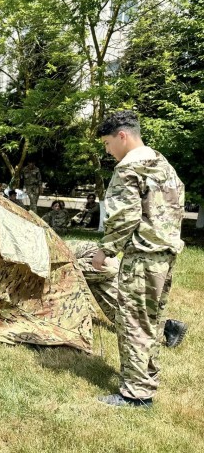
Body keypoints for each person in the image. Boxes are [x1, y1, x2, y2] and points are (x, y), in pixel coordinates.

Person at [92, 110, 185, 408]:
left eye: (107, 144)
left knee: (133, 323)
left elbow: (124, 217)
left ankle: (136, 394)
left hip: (142, 257)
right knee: (151, 322)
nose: (108, 151)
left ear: (122, 136)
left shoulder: (128, 169)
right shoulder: (163, 165)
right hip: (164, 255)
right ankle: (147, 379)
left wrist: (105, 250)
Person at [66, 240, 187, 349]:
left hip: (96, 259)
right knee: (115, 305)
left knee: (64, 275)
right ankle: (169, 327)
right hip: (102, 258)